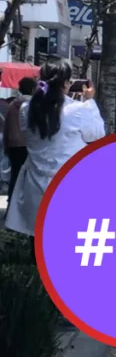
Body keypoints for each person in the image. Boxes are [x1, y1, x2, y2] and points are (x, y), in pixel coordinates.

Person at [4, 59, 105, 258]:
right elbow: (97, 134)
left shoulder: (27, 110)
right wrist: (90, 102)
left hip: (35, 184)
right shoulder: (77, 111)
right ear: (66, 83)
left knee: (38, 241)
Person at [4, 77, 36, 211]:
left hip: (13, 145)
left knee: (15, 177)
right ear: (33, 89)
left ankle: (11, 207)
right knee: (28, 179)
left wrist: (6, 146)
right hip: (28, 146)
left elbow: (6, 128)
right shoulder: (34, 105)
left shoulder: (11, 106)